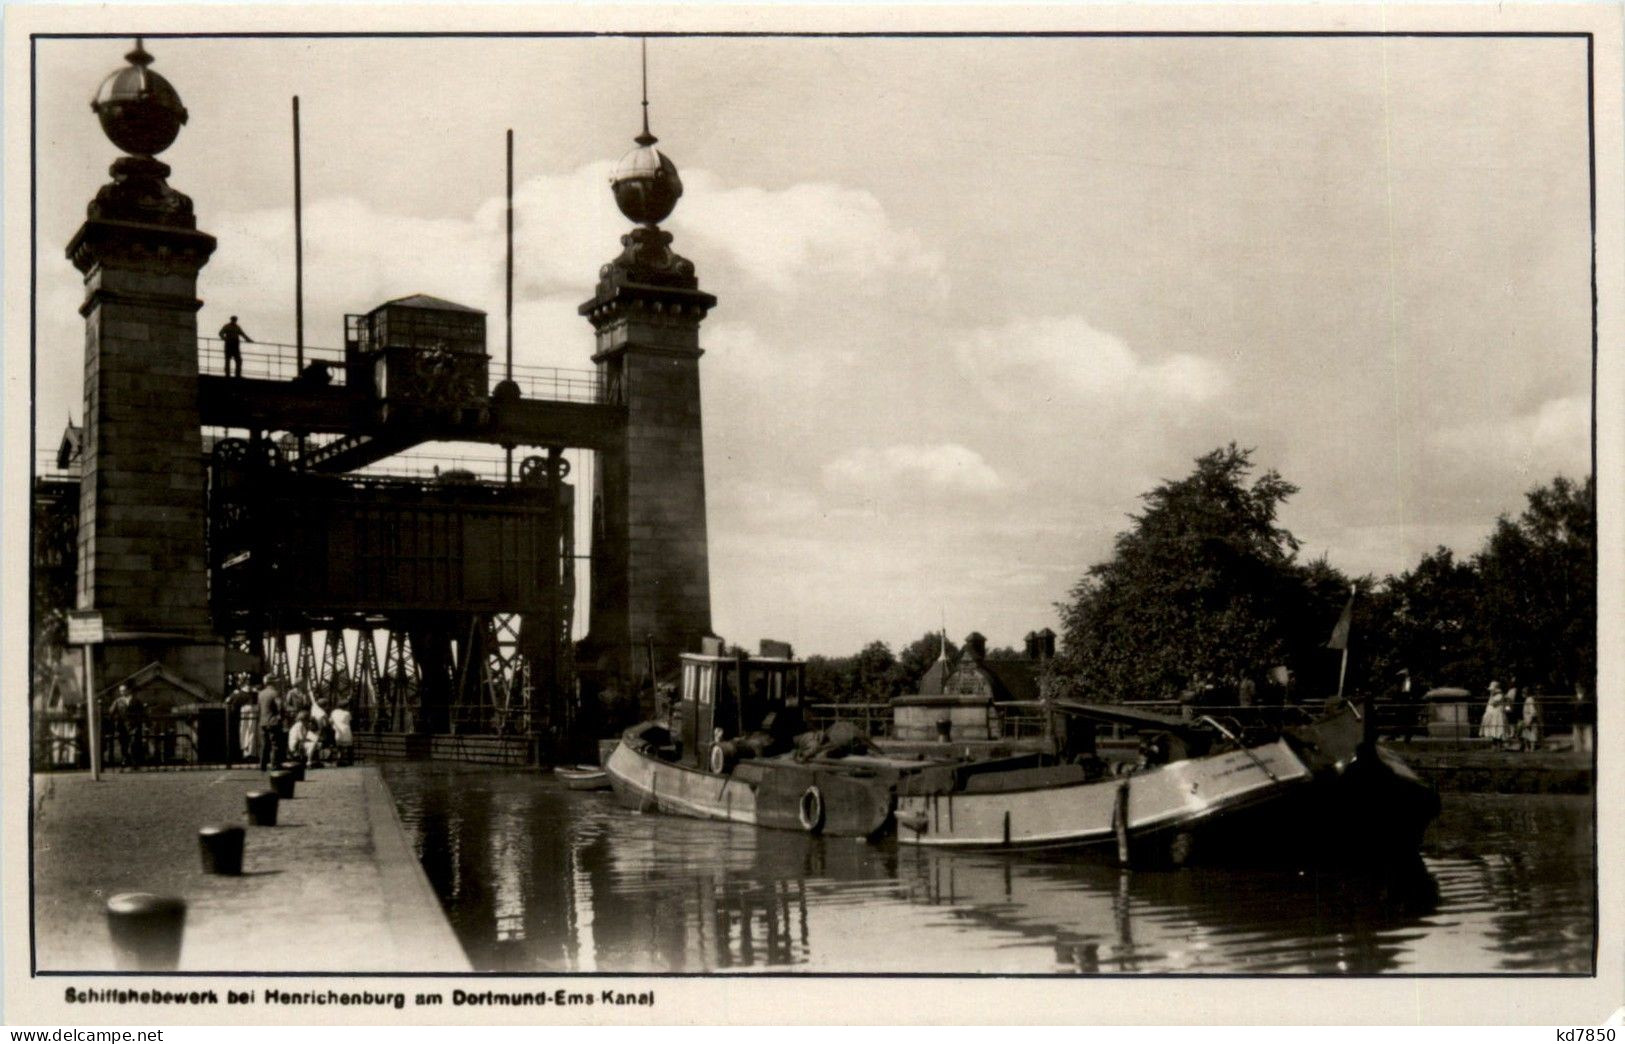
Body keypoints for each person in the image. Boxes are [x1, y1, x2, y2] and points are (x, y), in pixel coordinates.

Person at [256, 677, 283, 770]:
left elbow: (259, 708)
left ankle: (262, 765)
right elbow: (280, 706)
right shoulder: (275, 693)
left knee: (264, 744)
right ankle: (275, 765)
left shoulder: (260, 694)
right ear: (272, 683)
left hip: (262, 722)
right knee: (275, 744)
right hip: (273, 722)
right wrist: (280, 716)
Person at [1478, 680, 1511, 749]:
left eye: (1492, 690)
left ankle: (1499, 745)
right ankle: (1495, 744)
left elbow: (1493, 703)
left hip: (1498, 714)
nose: (1491, 691)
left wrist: (1492, 695)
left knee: (1498, 729)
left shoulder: (1500, 696)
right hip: (1493, 714)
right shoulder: (1493, 696)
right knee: (1493, 729)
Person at [108, 685, 133, 767]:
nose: (123, 692)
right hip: (122, 725)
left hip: (132, 724)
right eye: (121, 691)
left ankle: (133, 760)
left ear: (128, 690)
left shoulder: (134, 700)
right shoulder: (118, 701)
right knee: (123, 743)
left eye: (124, 690)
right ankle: (126, 759)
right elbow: (111, 711)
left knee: (133, 742)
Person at [1518, 685, 1544, 752]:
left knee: (1532, 734)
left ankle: (1531, 748)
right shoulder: (1528, 699)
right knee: (1527, 734)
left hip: (1530, 720)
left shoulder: (1530, 700)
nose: (1522, 694)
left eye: (1524, 692)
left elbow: (1533, 711)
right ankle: (1528, 748)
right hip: (1527, 719)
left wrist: (1530, 721)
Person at [331, 700, 355, 767]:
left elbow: (331, 720)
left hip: (338, 730)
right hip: (346, 730)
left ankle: (339, 760)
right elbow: (350, 721)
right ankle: (350, 761)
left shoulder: (334, 712)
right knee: (349, 746)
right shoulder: (347, 713)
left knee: (339, 747)